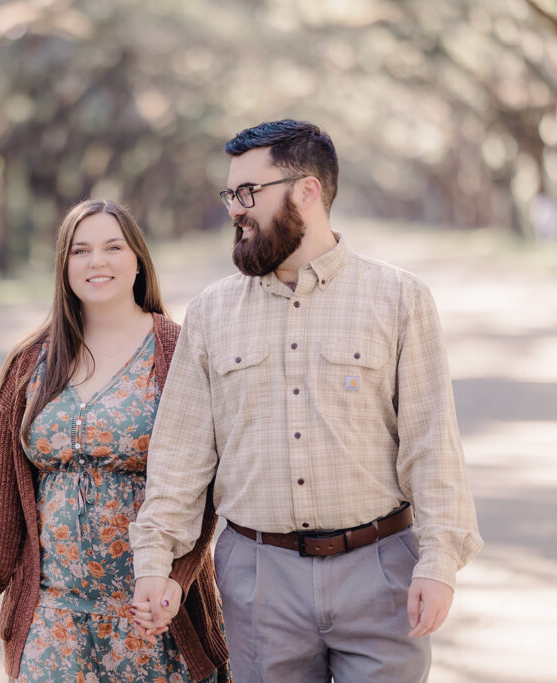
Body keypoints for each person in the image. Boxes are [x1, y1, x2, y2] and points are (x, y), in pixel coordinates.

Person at [128, 120, 484, 682]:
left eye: (248, 193)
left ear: (307, 191)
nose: (235, 210)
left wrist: (439, 565)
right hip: (258, 579)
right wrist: (154, 561)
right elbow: (181, 457)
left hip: (381, 570)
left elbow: (431, 442)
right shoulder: (211, 312)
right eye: (230, 194)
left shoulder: (399, 298)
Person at [0, 199, 231, 682]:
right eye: (80, 251)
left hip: (154, 614)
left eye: (113, 247)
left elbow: (204, 486)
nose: (97, 262)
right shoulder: (32, 361)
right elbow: (0, 490)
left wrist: (179, 578)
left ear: (138, 260)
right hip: (52, 616)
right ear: (64, 265)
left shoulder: (178, 351)